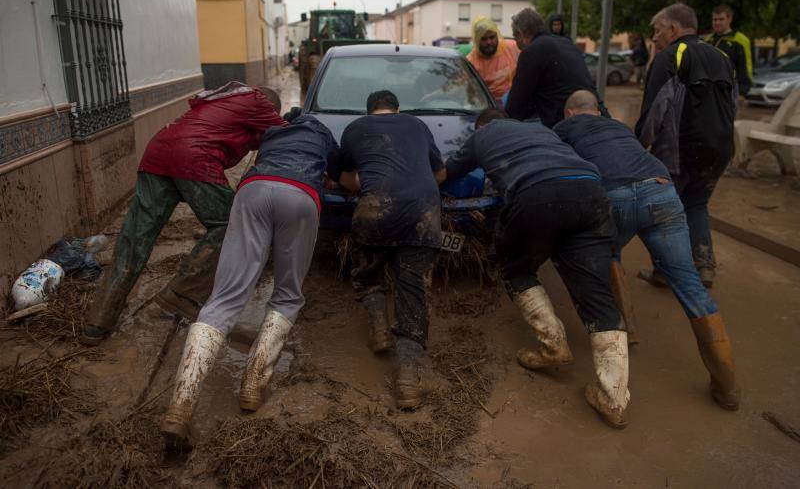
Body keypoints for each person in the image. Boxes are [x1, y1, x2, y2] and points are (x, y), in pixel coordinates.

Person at [556, 90, 740, 411]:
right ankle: (728, 387)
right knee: (690, 285)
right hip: (660, 190)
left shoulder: (566, 127)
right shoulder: (619, 127)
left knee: (608, 252)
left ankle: (627, 328)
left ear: (570, 112)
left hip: (614, 196)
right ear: (598, 110)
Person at [445, 109, 630, 429]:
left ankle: (553, 346)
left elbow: (447, 173)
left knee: (516, 269)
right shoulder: (543, 131)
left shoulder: (483, 134)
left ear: (482, 126)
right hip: (591, 194)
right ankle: (614, 399)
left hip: (537, 195)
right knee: (597, 295)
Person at [160, 115, 339, 441]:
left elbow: (256, 162)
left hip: (253, 191)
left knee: (224, 298)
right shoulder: (324, 134)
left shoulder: (272, 134)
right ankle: (253, 385)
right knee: (287, 294)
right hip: (300, 196)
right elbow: (341, 178)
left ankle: (180, 406)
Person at [80, 82, 287, 346]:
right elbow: (288, 134)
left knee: (134, 239)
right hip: (194, 156)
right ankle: (182, 294)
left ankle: (97, 322)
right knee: (233, 224)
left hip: (158, 152)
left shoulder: (225, 101)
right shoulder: (259, 101)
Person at [332, 90, 446, 410]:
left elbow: (346, 180)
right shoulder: (417, 124)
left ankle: (379, 327)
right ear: (397, 109)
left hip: (374, 209)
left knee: (368, 271)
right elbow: (440, 174)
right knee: (413, 293)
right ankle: (407, 380)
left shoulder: (354, 128)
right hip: (422, 214)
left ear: (368, 111)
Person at [636, 3, 737, 289]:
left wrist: (639, 147)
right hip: (720, 149)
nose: (654, 37)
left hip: (679, 150)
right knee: (697, 203)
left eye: (658, 31)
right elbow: (732, 107)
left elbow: (655, 109)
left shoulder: (670, 57)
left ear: (673, 28)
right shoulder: (721, 57)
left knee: (664, 210)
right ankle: (704, 267)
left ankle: (664, 271)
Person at [505, 8, 598, 128]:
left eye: (515, 37)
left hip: (568, 125)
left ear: (522, 34)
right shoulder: (567, 44)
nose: (516, 44)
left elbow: (516, 104)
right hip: (597, 116)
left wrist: (504, 126)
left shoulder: (531, 52)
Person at [465, 16, 521, 103]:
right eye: (484, 39)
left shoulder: (512, 47)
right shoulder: (470, 62)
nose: (489, 42)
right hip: (490, 106)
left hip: (517, 101)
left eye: (492, 37)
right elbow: (471, 94)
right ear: (476, 40)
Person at [707, 4, 752, 98]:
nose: (717, 23)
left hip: (730, 92)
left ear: (729, 19)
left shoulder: (740, 40)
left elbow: (746, 67)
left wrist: (743, 92)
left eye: (721, 19)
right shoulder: (708, 40)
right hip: (709, 92)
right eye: (715, 20)